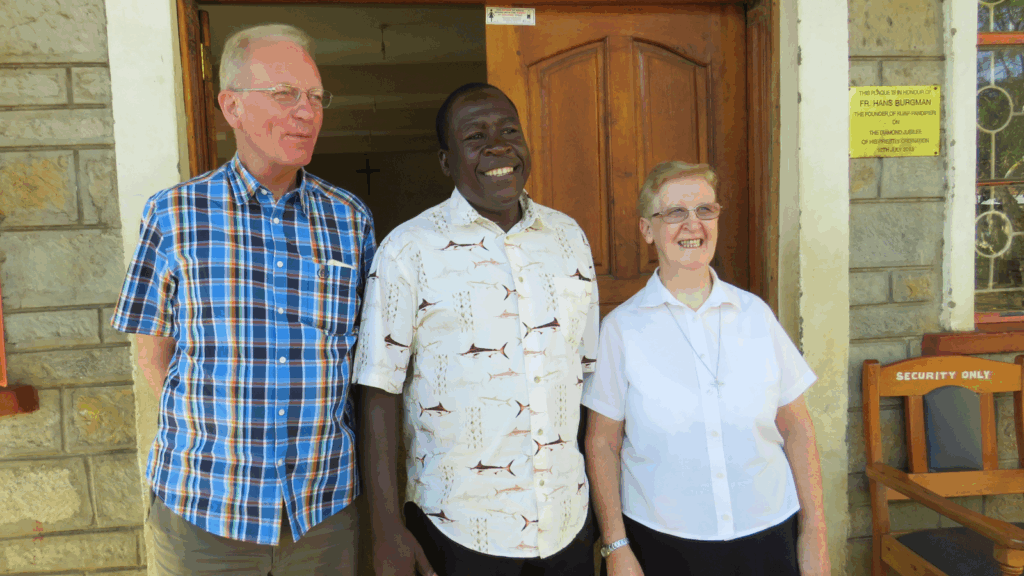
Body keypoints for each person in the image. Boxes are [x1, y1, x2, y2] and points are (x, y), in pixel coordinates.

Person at [111, 23, 374, 576]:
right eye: (285, 94)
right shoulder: (174, 215)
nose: (307, 112)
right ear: (231, 106)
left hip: (321, 512)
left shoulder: (350, 220)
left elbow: (366, 360)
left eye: (315, 96)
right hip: (204, 512)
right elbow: (152, 356)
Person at [355, 82, 599, 576]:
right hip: (458, 528)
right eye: (475, 137)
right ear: (446, 162)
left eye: (510, 131)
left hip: (566, 522)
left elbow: (588, 376)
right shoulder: (408, 252)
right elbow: (377, 390)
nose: (498, 146)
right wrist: (385, 531)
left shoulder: (568, 238)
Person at [583, 161, 830, 576]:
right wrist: (616, 546)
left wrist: (815, 533)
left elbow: (797, 427)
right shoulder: (621, 330)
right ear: (647, 230)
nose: (692, 224)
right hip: (664, 543)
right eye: (675, 212)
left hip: (770, 534)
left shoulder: (756, 315)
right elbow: (602, 444)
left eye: (705, 210)